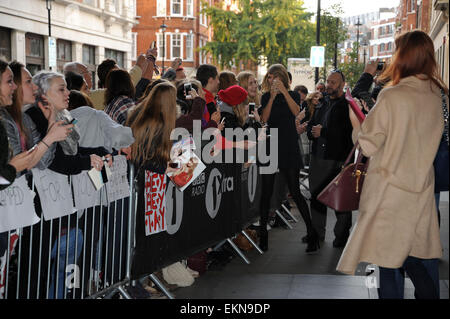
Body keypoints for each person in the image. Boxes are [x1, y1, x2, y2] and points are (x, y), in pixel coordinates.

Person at [337, 30, 448, 299]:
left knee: (388, 261)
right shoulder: (437, 95)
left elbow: (369, 144)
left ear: (403, 56)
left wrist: (357, 123)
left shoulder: (392, 96)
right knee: (415, 256)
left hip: (389, 192)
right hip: (420, 189)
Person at [259, 64, 318, 253]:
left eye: (275, 77)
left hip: (288, 144)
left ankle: (312, 233)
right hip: (270, 145)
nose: (272, 81)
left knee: (295, 189)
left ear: (283, 78)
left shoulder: (292, 95)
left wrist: (284, 92)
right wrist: (273, 96)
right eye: (269, 77)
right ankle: (263, 236)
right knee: (266, 192)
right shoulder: (266, 96)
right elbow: (264, 119)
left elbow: (296, 113)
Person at [306, 69, 354, 248]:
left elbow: (347, 133)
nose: (329, 84)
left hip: (338, 158)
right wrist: (311, 131)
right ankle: (316, 234)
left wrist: (323, 132)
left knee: (339, 198)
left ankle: (341, 236)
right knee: (316, 195)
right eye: (328, 81)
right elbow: (313, 123)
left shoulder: (347, 104)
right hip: (318, 155)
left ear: (342, 85)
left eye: (333, 82)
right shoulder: (322, 102)